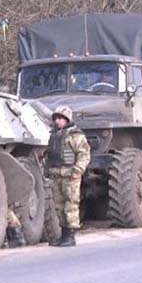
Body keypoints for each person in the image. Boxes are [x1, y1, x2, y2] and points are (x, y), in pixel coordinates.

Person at [46, 105, 91, 247]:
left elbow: (84, 154)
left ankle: (70, 235)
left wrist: (78, 171)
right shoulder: (54, 135)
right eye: (56, 119)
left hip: (70, 175)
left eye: (60, 119)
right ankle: (63, 233)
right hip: (56, 175)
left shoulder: (75, 135)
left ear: (67, 119)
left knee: (70, 204)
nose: (57, 121)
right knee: (59, 206)